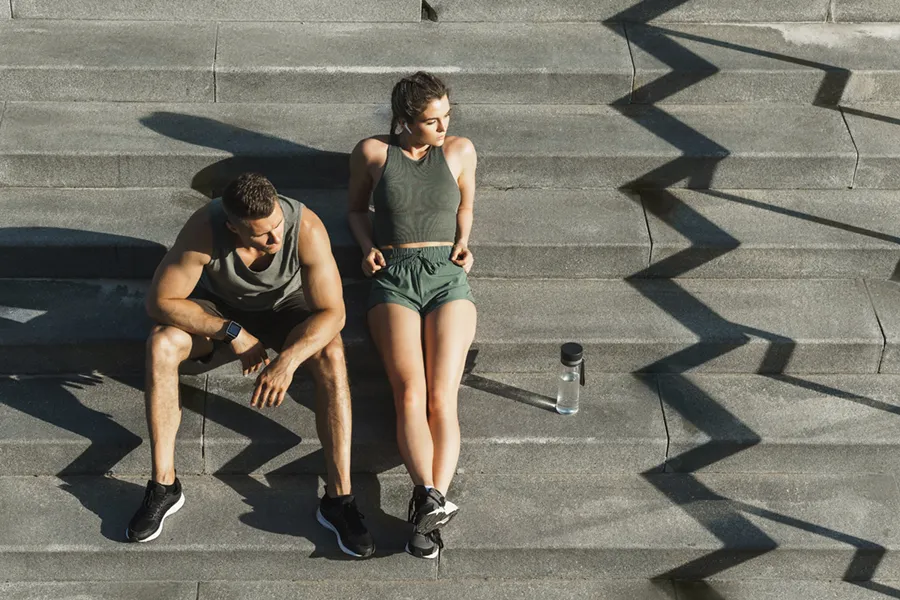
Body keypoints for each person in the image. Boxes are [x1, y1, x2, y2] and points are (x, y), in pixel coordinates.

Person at [127, 173, 375, 558]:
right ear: (233, 227)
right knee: (161, 343)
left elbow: (334, 312)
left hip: (285, 310)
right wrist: (232, 331)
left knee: (332, 352)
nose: (276, 240)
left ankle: (339, 499)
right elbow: (159, 303)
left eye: (277, 225)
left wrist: (287, 361)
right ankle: (164, 485)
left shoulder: (304, 226)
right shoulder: (205, 230)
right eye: (263, 235)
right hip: (221, 314)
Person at [347, 72, 477, 559]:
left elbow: (465, 204)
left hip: (446, 275)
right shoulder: (373, 153)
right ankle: (430, 498)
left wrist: (463, 243)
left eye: (447, 116)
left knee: (442, 396)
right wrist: (365, 249)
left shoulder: (460, 151)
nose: (442, 127)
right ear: (404, 121)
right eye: (431, 121)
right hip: (393, 276)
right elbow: (357, 210)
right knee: (410, 392)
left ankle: (429, 502)